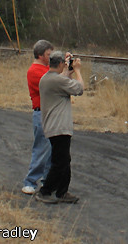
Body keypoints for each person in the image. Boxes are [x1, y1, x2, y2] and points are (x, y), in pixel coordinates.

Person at [36, 51, 84, 204]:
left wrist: (67, 72)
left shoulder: (47, 78)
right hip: (58, 127)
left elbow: (62, 81)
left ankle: (62, 191)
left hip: (55, 126)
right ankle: (45, 191)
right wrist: (77, 71)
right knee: (60, 162)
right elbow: (79, 89)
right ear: (62, 64)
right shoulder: (56, 80)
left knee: (64, 159)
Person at [21, 39, 54, 195]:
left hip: (51, 113)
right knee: (41, 149)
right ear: (41, 55)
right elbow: (52, 84)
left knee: (51, 151)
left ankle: (47, 181)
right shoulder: (35, 71)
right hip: (42, 113)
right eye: (49, 54)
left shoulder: (47, 69)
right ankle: (30, 181)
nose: (51, 57)